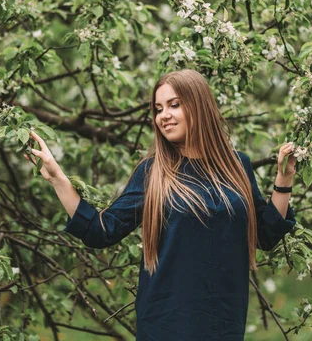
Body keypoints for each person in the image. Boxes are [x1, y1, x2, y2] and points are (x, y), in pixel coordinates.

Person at [23, 69, 297, 340]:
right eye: (158, 108)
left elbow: (265, 234)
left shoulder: (237, 165)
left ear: (199, 106)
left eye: (174, 105)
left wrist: (283, 179)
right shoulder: (154, 172)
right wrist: (57, 178)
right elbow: (101, 230)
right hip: (167, 324)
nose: (163, 115)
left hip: (223, 322)